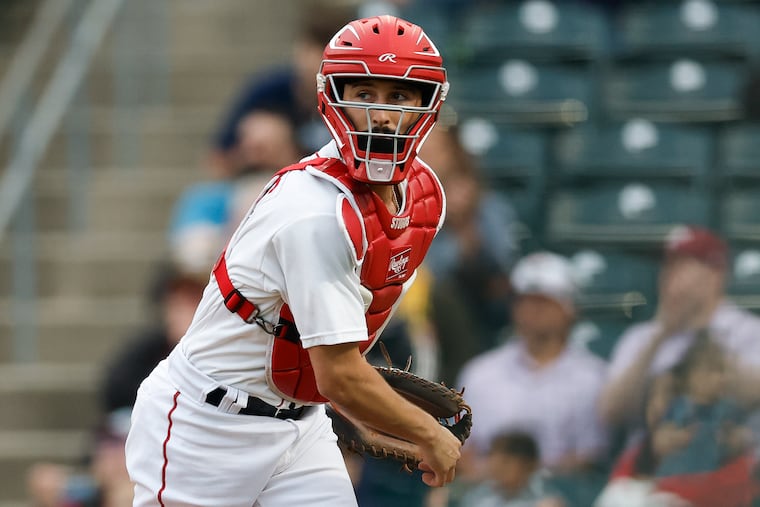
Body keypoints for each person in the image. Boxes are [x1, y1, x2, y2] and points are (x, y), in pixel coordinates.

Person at [125, 14, 462, 507]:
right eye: (364, 95)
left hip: (301, 427)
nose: (381, 115)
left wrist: (360, 404)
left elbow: (335, 355)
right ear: (332, 99)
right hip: (206, 424)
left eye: (399, 95)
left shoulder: (422, 196)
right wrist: (428, 433)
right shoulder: (314, 211)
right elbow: (340, 375)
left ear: (427, 105)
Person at [453, 252, 609, 507]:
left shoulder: (593, 376)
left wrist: (521, 473)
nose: (532, 309)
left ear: (569, 307)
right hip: (485, 495)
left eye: (544, 301)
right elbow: (462, 451)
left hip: (559, 496)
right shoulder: (480, 372)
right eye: (524, 300)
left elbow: (589, 460)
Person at [597, 225, 760, 443]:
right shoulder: (642, 336)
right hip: (647, 466)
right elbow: (611, 412)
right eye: (666, 265)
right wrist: (659, 336)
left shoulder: (746, 330)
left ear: (715, 275)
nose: (668, 275)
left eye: (680, 265)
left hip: (724, 464)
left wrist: (706, 337)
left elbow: (754, 393)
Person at [419, 122, 521, 385]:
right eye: (421, 150)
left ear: (454, 153)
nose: (428, 157)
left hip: (481, 310)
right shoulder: (403, 207)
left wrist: (466, 225)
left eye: (436, 149)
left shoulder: (488, 207)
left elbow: (503, 268)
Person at [208, 2, 354, 176]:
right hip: (263, 182)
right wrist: (253, 153)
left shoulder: (352, 102)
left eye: (321, 53)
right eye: (307, 48)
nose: (310, 61)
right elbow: (217, 160)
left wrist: (287, 152)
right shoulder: (268, 91)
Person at [458, 431, 568, 507]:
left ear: (528, 465)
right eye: (492, 459)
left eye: (505, 462)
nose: (496, 468)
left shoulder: (546, 497)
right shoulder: (478, 495)